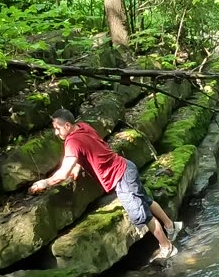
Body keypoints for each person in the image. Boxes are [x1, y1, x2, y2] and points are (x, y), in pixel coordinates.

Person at [29, 108, 180, 261]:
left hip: (121, 177)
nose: (56, 133)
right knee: (146, 201)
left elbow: (62, 173)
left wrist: (45, 182)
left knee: (143, 216)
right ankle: (171, 226)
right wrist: (77, 166)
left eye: (57, 128)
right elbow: (91, 147)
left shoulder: (72, 142)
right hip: (127, 167)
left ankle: (167, 247)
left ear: (67, 125)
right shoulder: (82, 126)